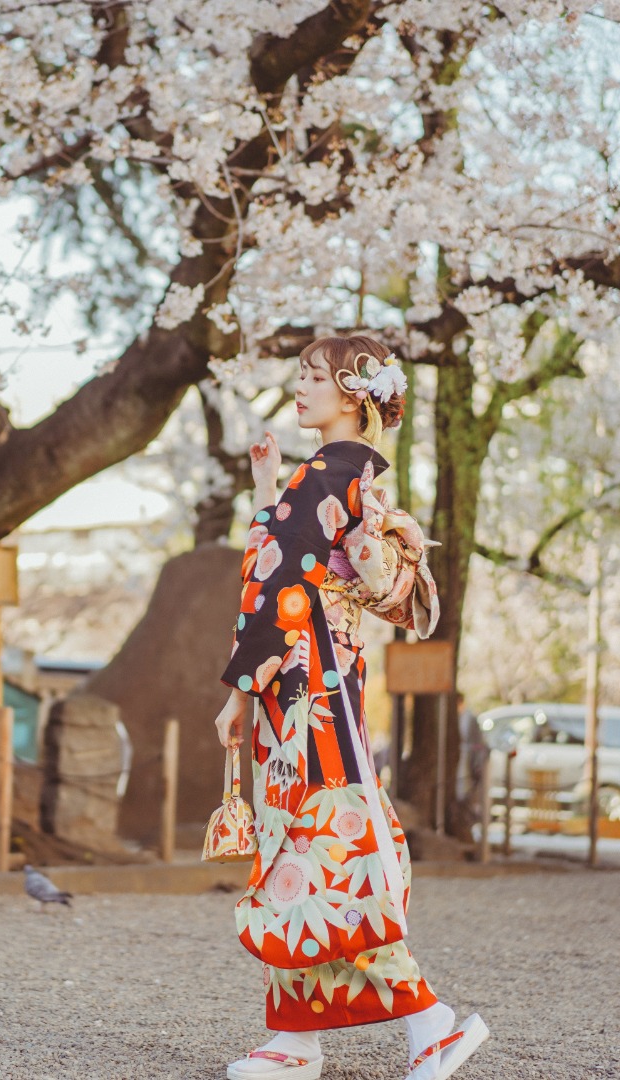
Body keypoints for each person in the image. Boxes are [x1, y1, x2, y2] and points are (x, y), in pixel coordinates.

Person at [212, 336, 488, 1080]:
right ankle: (295, 1035)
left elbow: (276, 586)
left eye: (313, 379)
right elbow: (286, 558)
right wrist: (269, 483)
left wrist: (241, 688)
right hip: (321, 684)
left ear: (352, 394)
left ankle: (430, 1022)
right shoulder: (342, 477)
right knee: (300, 849)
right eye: (298, 376)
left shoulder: (331, 475)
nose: (298, 389)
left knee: (329, 854)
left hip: (308, 690)